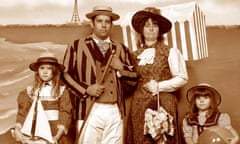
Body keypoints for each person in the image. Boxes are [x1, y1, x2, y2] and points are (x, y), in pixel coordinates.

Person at [62, 5, 138, 144]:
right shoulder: (76, 46)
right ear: (92, 23)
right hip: (89, 109)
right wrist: (86, 89)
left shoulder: (121, 48)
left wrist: (121, 67)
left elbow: (134, 79)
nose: (104, 25)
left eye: (107, 22)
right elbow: (65, 75)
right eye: (99, 21)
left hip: (115, 110)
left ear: (111, 25)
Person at [128, 7, 188, 144]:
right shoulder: (133, 55)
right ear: (141, 30)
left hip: (164, 103)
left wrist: (159, 86)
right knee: (141, 139)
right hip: (139, 105)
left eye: (154, 25)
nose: (151, 29)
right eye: (147, 25)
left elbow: (182, 78)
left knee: (165, 139)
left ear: (159, 30)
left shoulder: (170, 51)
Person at [13, 52, 73, 144]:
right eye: (42, 68)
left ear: (54, 71)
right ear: (37, 71)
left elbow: (65, 113)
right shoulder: (29, 92)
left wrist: (57, 136)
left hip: (54, 131)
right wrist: (18, 129)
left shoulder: (61, 91)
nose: (45, 72)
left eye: (49, 68)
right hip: (35, 130)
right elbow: (23, 113)